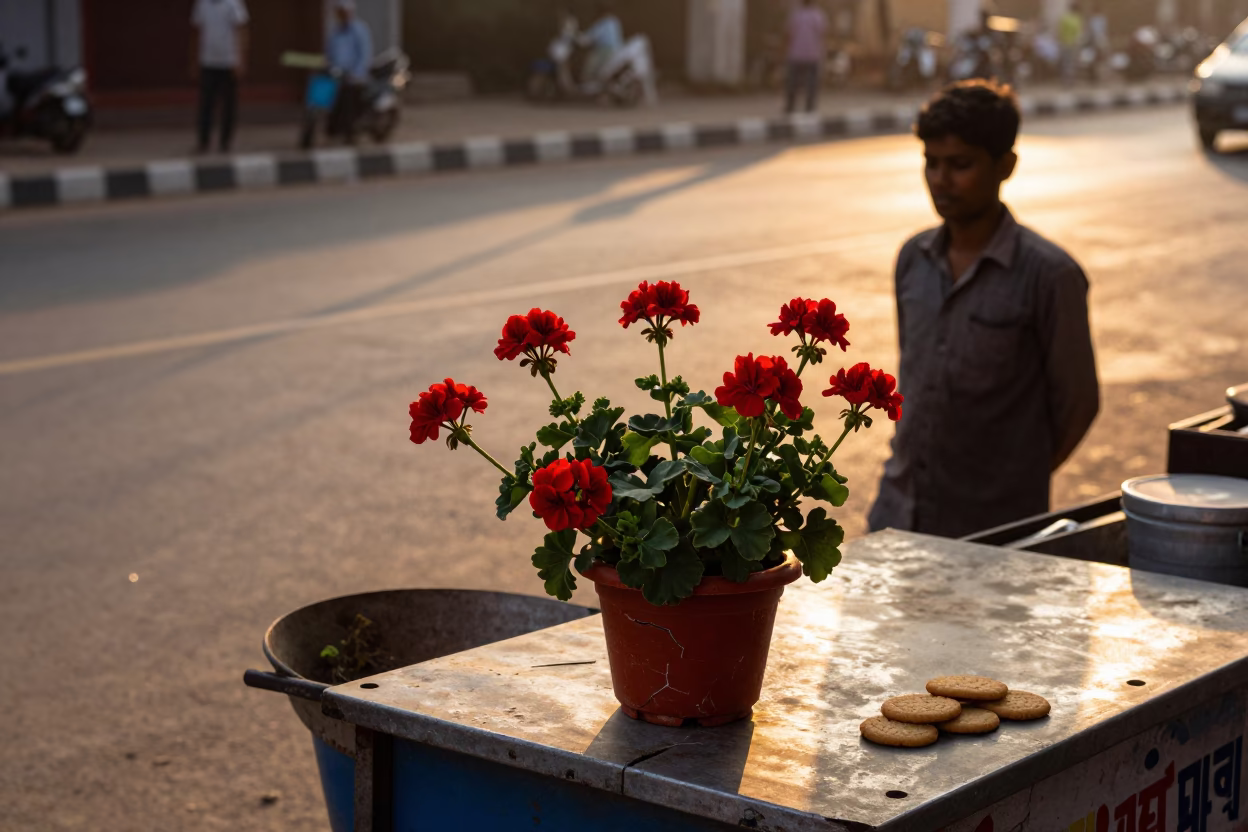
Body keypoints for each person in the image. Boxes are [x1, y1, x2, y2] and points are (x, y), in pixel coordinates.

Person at [868, 81, 1099, 539]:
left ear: (1005, 165)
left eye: (960, 165)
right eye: (931, 164)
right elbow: (915, 379)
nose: (941, 180)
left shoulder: (1049, 275)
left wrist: (1013, 474)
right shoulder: (913, 258)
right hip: (899, 511)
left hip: (995, 528)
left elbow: (1078, 405)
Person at [190, 0, 249, 154]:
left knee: (229, 104)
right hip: (207, 60)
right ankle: (204, 141)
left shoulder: (233, 4)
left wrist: (240, 59)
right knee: (206, 104)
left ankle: (226, 141)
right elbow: (198, 31)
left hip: (229, 61)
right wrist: (195, 59)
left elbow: (241, 30)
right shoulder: (202, 4)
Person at [326, 0, 373, 144]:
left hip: (355, 77)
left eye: (344, 12)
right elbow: (330, 54)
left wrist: (356, 72)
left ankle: (351, 130)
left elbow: (365, 55)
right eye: (339, 12)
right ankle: (333, 127)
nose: (342, 15)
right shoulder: (335, 32)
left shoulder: (360, 30)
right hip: (338, 76)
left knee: (349, 96)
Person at [785, 0, 827, 113]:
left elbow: (789, 33)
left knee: (793, 82)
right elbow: (821, 34)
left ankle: (790, 106)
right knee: (812, 83)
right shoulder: (817, 15)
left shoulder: (796, 14)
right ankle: (810, 107)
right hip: (813, 54)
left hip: (796, 53)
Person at [581, 1, 624, 92]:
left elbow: (589, 38)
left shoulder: (602, 24)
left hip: (606, 50)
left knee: (590, 64)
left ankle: (590, 86)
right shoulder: (614, 21)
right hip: (617, 49)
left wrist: (578, 37)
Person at [1058, 4, 1085, 86]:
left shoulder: (1064, 18)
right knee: (1072, 63)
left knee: (1066, 62)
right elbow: (1079, 32)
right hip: (1073, 44)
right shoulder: (1077, 19)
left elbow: (1060, 31)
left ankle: (1066, 80)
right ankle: (1071, 80)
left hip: (1065, 43)